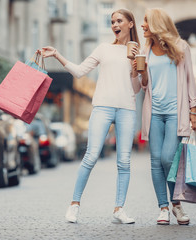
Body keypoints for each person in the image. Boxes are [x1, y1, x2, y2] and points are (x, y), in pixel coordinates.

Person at [41, 8, 141, 224]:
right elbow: (78, 71)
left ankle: (119, 209)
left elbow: (136, 89)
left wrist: (135, 68)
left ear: (130, 24)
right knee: (91, 155)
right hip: (103, 108)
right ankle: (74, 205)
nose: (115, 25)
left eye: (119, 21)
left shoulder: (138, 52)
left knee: (124, 162)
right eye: (112, 21)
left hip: (126, 110)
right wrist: (57, 54)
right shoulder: (104, 48)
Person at [137, 8, 196, 225]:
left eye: (146, 22)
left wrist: (193, 110)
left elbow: (190, 79)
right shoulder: (146, 49)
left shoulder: (181, 47)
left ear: (156, 24)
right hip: (154, 113)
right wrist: (141, 71)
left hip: (176, 113)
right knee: (155, 161)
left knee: (167, 158)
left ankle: (177, 204)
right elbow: (144, 86)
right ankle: (163, 207)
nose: (142, 25)